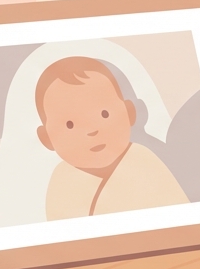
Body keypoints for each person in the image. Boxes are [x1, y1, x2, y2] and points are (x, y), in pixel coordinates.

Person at [34, 56, 188, 220]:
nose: (92, 130)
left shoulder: (145, 162)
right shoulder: (61, 179)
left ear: (130, 113)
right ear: (46, 138)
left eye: (104, 114)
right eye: (70, 124)